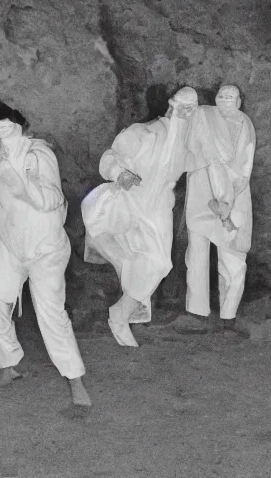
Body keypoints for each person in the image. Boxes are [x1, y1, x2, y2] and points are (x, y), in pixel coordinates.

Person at [0, 100, 91, 416]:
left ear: (18, 122)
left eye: (5, 121)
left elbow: (53, 199)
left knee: (52, 312)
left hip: (45, 247)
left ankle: (75, 379)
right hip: (8, 243)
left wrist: (29, 183)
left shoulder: (39, 153)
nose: (0, 126)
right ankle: (8, 364)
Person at [81, 86, 198, 347]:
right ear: (171, 103)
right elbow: (109, 158)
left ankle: (120, 313)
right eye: (182, 105)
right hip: (132, 197)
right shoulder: (141, 132)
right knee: (124, 251)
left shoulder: (187, 141)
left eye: (192, 107)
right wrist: (119, 173)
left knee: (159, 263)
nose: (185, 111)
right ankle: (100, 246)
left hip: (158, 205)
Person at [176, 85, 255, 332]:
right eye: (221, 95)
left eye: (231, 96)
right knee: (197, 250)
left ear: (240, 101)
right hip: (201, 187)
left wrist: (228, 195)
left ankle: (229, 313)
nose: (224, 99)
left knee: (232, 249)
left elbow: (245, 164)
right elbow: (183, 139)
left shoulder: (245, 124)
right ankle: (196, 311)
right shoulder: (203, 115)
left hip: (234, 189)